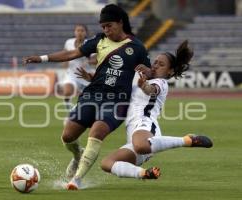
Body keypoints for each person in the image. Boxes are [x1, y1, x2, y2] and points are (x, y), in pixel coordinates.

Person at [22, 4, 151, 190]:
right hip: (92, 95)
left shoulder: (137, 47)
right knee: (67, 136)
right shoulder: (99, 40)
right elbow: (72, 53)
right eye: (103, 26)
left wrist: (147, 72)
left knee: (96, 133)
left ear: (120, 22)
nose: (106, 30)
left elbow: (151, 72)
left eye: (109, 25)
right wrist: (42, 58)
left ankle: (77, 179)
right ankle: (77, 155)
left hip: (118, 100)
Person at [95, 40, 212, 180]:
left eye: (161, 64)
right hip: (136, 135)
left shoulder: (161, 82)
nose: (156, 66)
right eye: (155, 62)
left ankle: (187, 140)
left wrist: (144, 85)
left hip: (146, 126)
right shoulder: (142, 78)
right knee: (106, 163)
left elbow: (152, 90)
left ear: (170, 71)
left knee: (140, 146)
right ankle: (144, 173)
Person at [60, 24, 95, 122]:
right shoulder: (69, 42)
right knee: (67, 92)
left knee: (88, 101)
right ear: (74, 32)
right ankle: (70, 114)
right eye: (77, 30)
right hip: (71, 74)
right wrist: (64, 62)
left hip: (86, 76)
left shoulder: (90, 43)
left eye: (82, 31)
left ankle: (78, 114)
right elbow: (65, 53)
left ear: (86, 33)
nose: (79, 33)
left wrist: (88, 61)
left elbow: (96, 59)